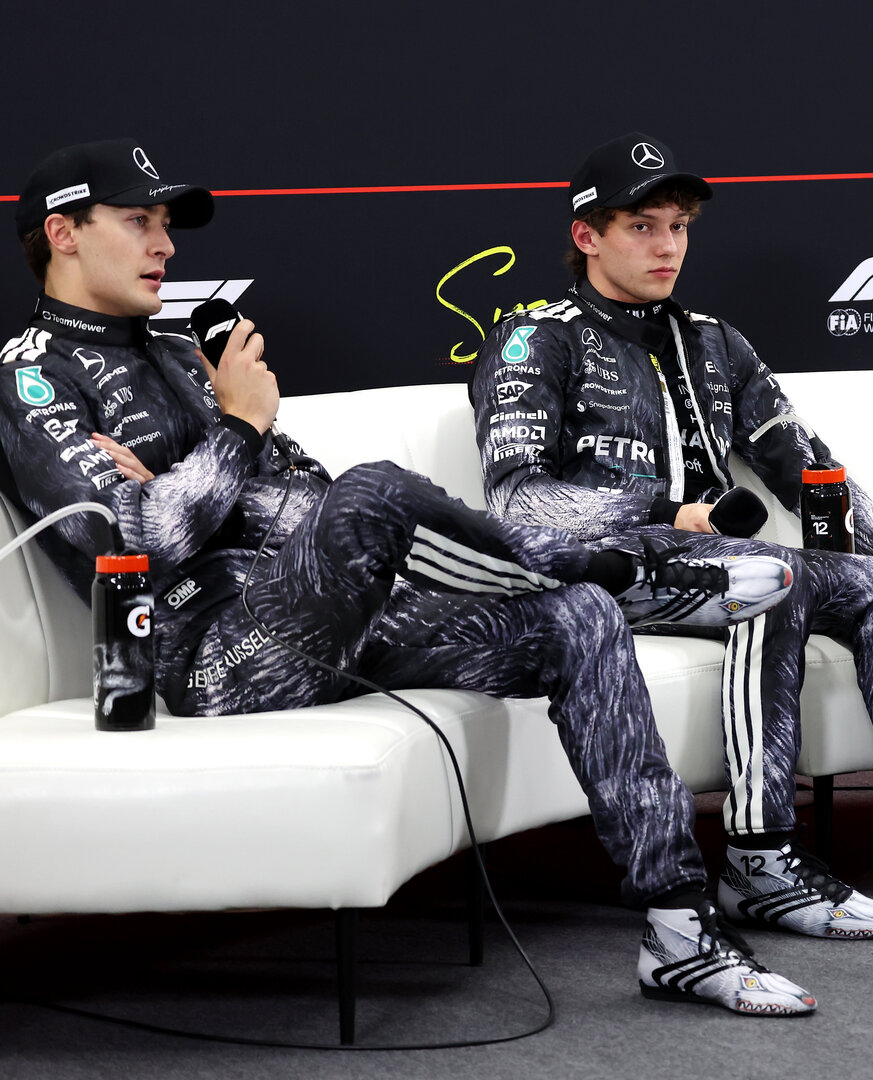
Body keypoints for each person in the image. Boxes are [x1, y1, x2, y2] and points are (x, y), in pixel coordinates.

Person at [0, 138, 820, 1016]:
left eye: (166, 224)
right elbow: (145, 540)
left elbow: (295, 496)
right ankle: (615, 562)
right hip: (210, 662)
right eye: (138, 221)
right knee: (376, 491)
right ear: (64, 233)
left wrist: (204, 473)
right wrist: (236, 431)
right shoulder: (28, 374)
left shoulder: (179, 356)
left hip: (321, 617)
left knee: (578, 618)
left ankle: (680, 930)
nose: (164, 244)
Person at [471, 132, 873, 940]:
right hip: (600, 571)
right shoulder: (534, 337)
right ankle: (759, 859)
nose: (667, 245)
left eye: (678, 226)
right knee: (768, 575)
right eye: (643, 226)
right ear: (587, 236)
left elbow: (810, 467)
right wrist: (654, 512)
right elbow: (516, 501)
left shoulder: (715, 340)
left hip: (718, 558)